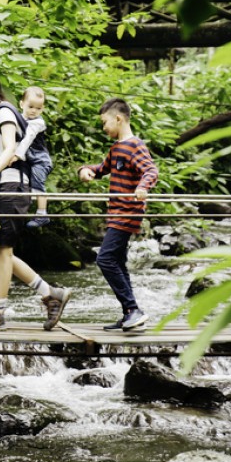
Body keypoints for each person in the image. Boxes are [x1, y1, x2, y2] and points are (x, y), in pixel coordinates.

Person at [0, 64, 72, 331]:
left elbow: (10, 148)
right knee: (0, 253)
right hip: (2, 187)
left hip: (13, 188)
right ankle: (51, 294)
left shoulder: (5, 111)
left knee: (3, 251)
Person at [77, 97, 158, 332]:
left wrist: (142, 187)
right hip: (116, 213)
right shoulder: (116, 149)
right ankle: (129, 314)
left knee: (105, 259)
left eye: (105, 123)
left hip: (127, 212)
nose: (104, 128)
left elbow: (150, 170)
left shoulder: (135, 146)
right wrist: (84, 170)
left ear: (119, 119)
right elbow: (101, 169)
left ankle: (133, 309)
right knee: (118, 262)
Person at [13, 86, 53, 229]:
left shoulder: (38, 122)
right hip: (30, 159)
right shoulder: (19, 118)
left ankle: (42, 214)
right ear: (21, 104)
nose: (34, 111)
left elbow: (27, 139)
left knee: (37, 184)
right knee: (26, 185)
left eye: (38, 108)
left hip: (40, 161)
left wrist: (17, 155)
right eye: (30, 106)